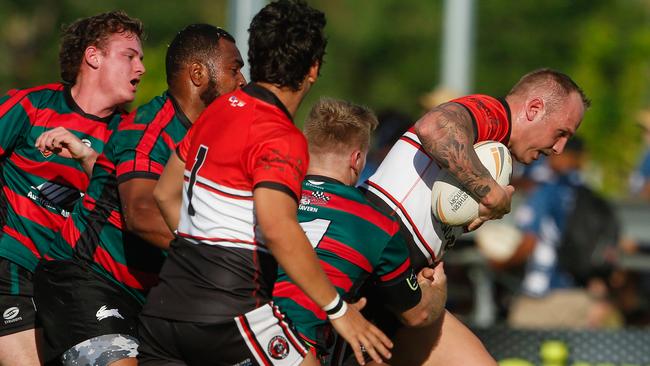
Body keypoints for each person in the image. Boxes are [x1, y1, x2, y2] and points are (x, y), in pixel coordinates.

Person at [141, 2, 392, 365]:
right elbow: (277, 227)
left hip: (164, 314)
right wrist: (339, 310)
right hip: (229, 320)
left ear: (254, 56)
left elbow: (165, 194)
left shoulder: (217, 111)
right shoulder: (282, 137)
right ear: (313, 69)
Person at [32, 24, 245, 366]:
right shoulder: (149, 130)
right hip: (87, 282)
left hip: (153, 301)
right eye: (234, 70)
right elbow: (142, 214)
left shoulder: (218, 143)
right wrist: (227, 265)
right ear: (198, 73)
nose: (242, 82)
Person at [360, 68, 590, 365]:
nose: (559, 149)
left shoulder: (497, 151)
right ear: (534, 109)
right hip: (371, 262)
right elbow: (435, 127)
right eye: (561, 133)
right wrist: (490, 193)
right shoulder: (495, 114)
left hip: (400, 277)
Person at [0, 11, 144, 366]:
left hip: (79, 286)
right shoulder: (32, 106)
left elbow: (129, 199)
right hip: (15, 269)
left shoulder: (130, 135)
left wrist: (85, 156)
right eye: (130, 56)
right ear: (93, 57)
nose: (140, 68)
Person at [272, 98, 447, 364]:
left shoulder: (270, 199)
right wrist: (438, 290)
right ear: (356, 159)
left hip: (236, 333)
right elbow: (417, 315)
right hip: (295, 350)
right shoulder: (377, 224)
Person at [499, 137, 622, 329]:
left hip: (542, 299)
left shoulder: (546, 192)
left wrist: (499, 264)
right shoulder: (591, 196)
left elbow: (528, 244)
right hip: (583, 297)